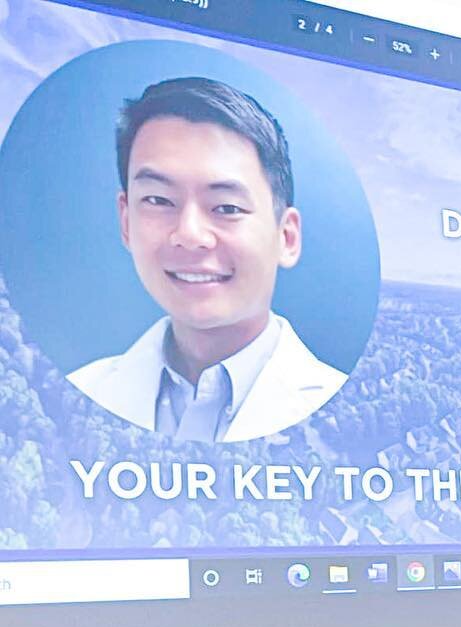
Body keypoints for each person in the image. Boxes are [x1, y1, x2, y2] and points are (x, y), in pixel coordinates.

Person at [67, 77, 345, 442]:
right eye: (158, 200)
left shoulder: (338, 410)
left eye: (227, 207)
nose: (190, 235)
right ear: (126, 221)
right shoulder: (79, 392)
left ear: (286, 236)